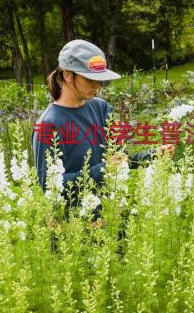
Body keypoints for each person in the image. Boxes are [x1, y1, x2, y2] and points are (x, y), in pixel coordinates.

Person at [32, 39, 174, 218]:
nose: (98, 86)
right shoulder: (49, 124)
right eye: (90, 79)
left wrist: (152, 155)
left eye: (100, 80)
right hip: (75, 228)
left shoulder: (100, 108)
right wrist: (100, 170)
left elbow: (118, 158)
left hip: (112, 216)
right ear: (68, 75)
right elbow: (48, 184)